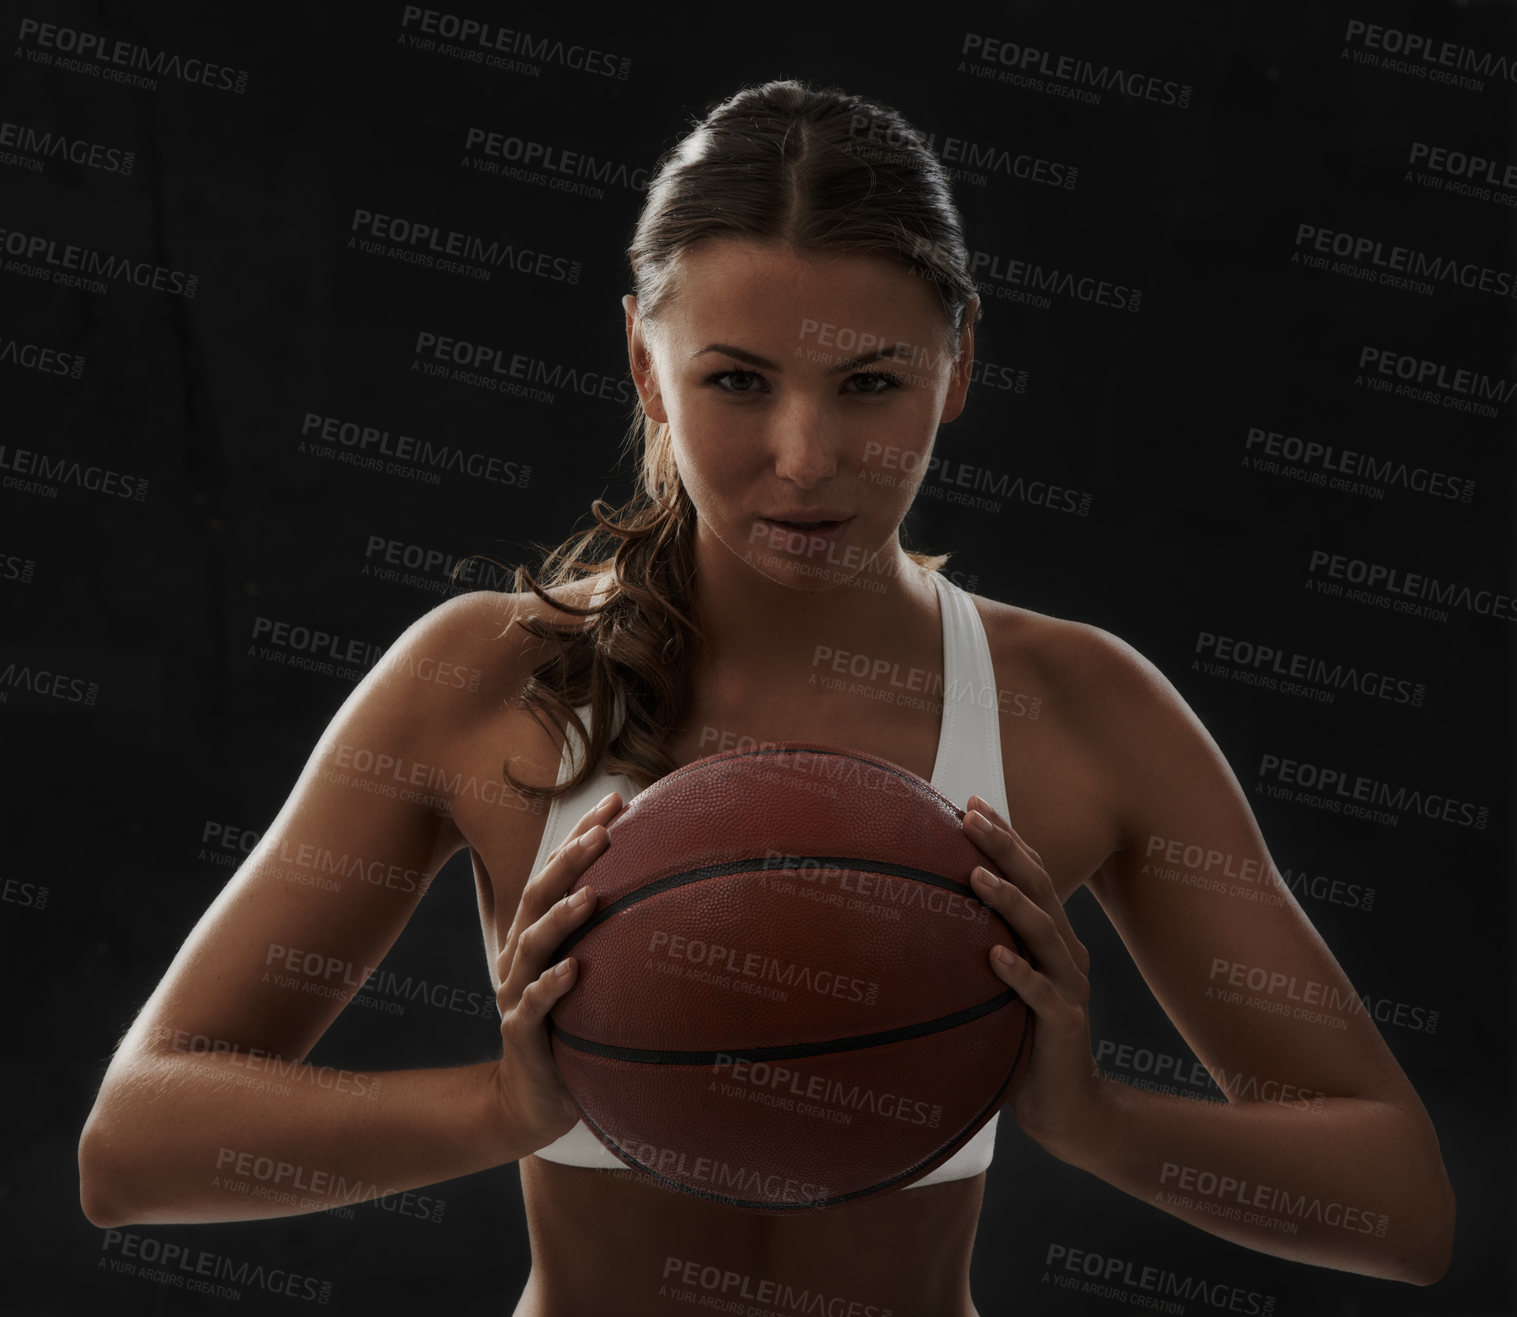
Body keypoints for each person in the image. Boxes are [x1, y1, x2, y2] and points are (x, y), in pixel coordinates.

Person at [78, 79, 1454, 1315]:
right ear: (642, 363)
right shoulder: (486, 678)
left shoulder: (1074, 704)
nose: (806, 459)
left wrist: (1093, 1118)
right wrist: (497, 1103)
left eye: (869, 383)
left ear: (959, 362)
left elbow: (1398, 1207)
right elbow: (132, 1150)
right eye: (735, 380)